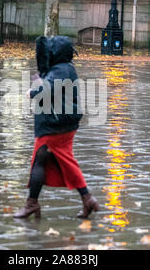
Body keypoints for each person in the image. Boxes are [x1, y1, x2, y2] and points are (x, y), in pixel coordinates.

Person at [14, 36, 100, 219]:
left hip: (54, 125)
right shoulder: (65, 68)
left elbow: (48, 89)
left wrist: (33, 90)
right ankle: (87, 199)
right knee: (66, 162)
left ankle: (32, 204)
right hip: (62, 124)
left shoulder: (60, 70)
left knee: (39, 161)